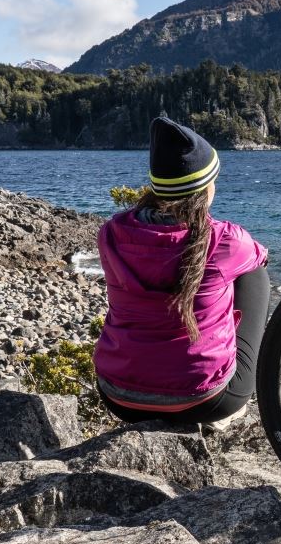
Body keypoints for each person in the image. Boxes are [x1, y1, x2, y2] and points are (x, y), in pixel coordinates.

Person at [93, 117, 269, 425]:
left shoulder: (111, 233)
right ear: (205, 188)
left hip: (117, 394)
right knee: (255, 275)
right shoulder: (225, 239)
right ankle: (222, 397)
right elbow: (260, 257)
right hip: (204, 400)